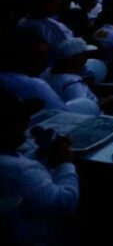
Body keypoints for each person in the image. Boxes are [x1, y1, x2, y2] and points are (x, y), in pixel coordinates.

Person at [0, 90, 79, 245]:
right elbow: (65, 203)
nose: (24, 128)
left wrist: (40, 153)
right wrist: (66, 163)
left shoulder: (12, 163)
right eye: (19, 123)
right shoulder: (20, 171)